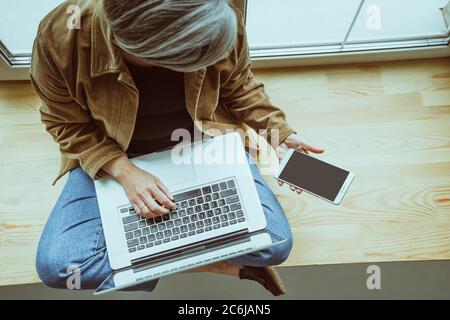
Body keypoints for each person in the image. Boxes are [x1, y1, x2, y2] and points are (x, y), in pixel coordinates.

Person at [31, 0, 324, 296]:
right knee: (60, 266)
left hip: (205, 142)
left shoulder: (219, 9)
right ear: (142, 48)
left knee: (275, 243)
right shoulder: (60, 37)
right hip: (111, 152)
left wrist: (278, 133)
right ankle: (223, 264)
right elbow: (65, 124)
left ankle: (158, 260)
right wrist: (125, 172)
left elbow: (239, 84)